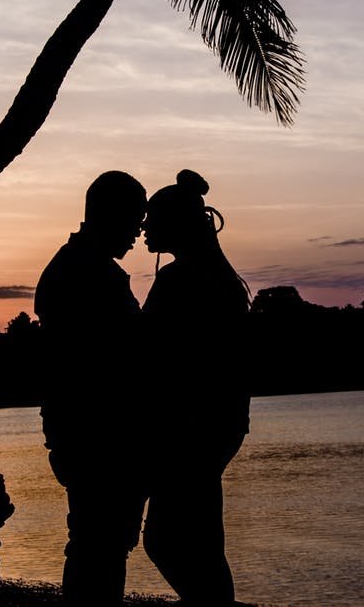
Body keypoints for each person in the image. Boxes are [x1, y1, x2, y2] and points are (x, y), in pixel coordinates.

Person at [33, 170, 148, 605]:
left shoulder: (76, 267)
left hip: (80, 432)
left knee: (97, 543)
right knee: (99, 545)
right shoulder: (89, 274)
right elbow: (115, 360)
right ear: (110, 215)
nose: (139, 233)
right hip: (98, 435)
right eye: (134, 220)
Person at [140, 169, 251, 605]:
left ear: (175, 224)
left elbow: (152, 353)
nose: (144, 227)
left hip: (191, 426)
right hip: (219, 423)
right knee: (201, 538)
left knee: (166, 541)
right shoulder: (216, 277)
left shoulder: (180, 280)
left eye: (152, 218)